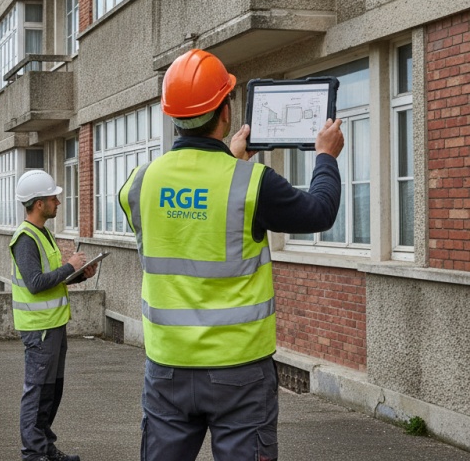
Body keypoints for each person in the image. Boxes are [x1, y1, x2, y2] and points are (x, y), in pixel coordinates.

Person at [118, 49, 345, 461]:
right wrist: (326, 156)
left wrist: (228, 159)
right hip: (240, 371)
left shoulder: (138, 183)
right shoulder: (252, 183)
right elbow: (320, 211)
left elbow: (188, 216)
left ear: (173, 116)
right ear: (225, 112)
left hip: (166, 368)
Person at [10, 169, 97, 461]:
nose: (58, 202)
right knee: (37, 395)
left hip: (53, 326)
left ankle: (45, 447)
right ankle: (33, 455)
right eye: (53, 198)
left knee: (51, 392)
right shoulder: (25, 239)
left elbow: (52, 280)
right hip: (39, 329)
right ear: (38, 203)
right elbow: (35, 284)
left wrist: (80, 275)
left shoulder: (42, 232)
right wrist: (70, 266)